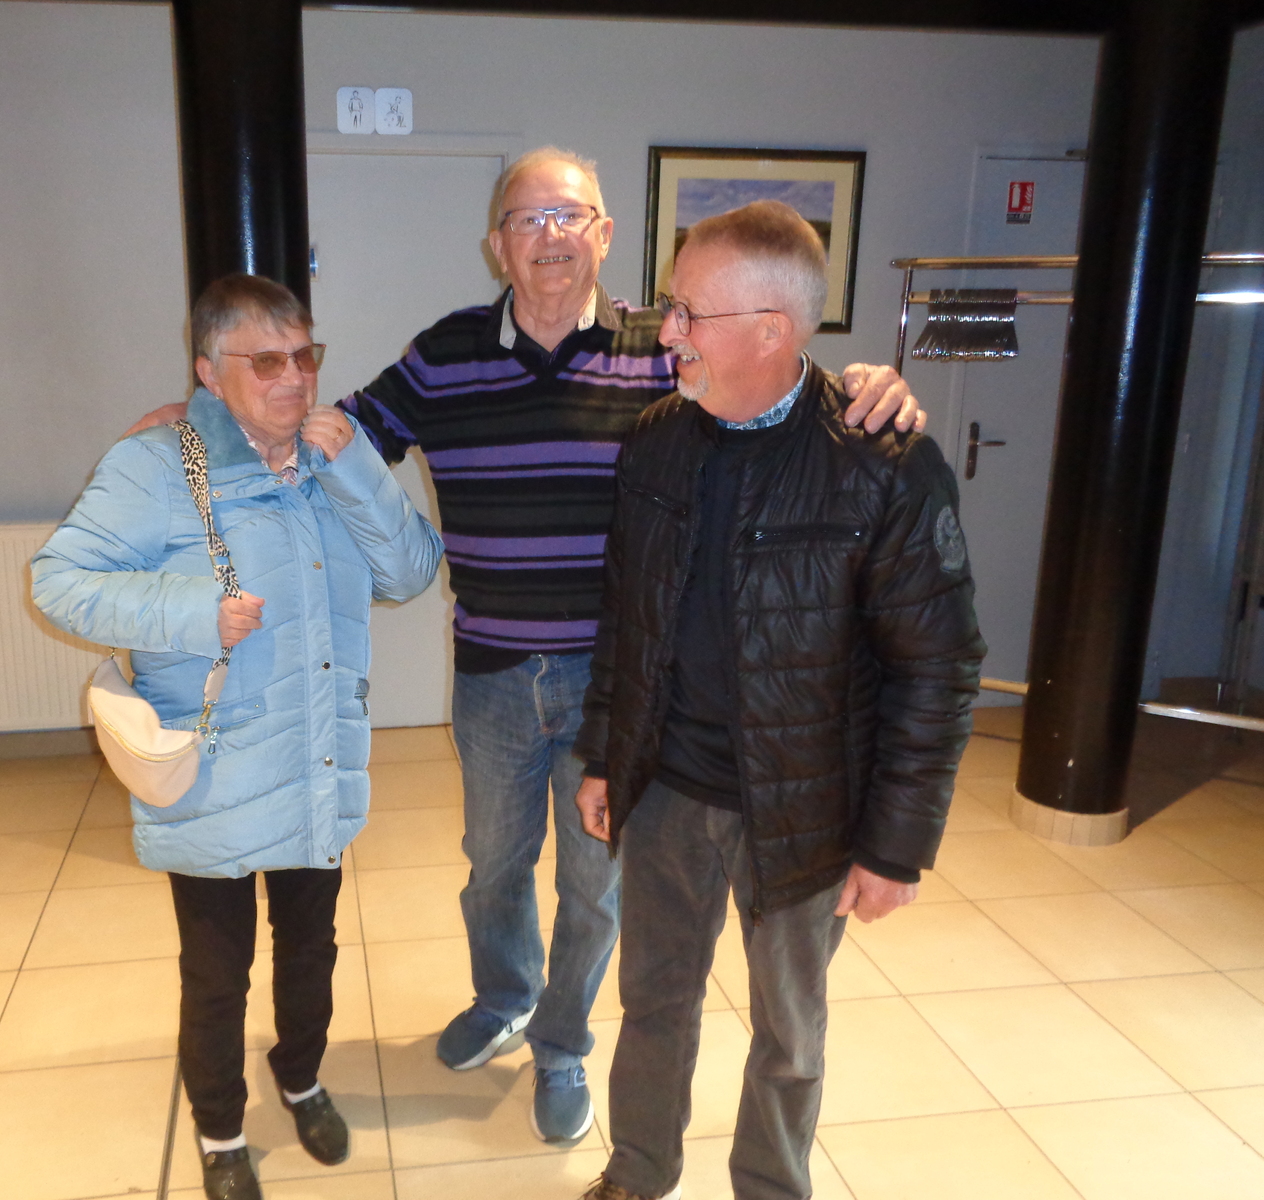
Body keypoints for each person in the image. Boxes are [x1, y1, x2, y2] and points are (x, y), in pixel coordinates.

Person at [129, 147, 925, 1143]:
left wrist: (864, 384)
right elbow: (336, 434)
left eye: (569, 215)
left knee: (594, 881)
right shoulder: (445, 353)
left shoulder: (661, 345)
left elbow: (770, 391)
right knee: (493, 864)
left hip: (621, 685)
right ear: (496, 244)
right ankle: (503, 997)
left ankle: (562, 1043)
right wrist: (211, 417)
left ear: (603, 233)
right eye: (526, 218)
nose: (549, 235)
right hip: (494, 677)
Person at [571, 201, 985, 1200]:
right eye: (669, 308)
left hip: (804, 811)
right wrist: (603, 756)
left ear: (770, 330)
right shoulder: (658, 440)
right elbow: (627, 614)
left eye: (687, 314)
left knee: (789, 1034)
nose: (666, 333)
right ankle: (638, 1171)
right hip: (668, 791)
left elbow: (938, 667)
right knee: (653, 1000)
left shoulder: (881, 462)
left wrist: (894, 848)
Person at [33, 273, 443, 1200]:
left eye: (305, 355)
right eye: (265, 361)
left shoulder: (335, 457)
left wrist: (361, 468)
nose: (294, 378)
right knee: (217, 973)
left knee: (312, 947)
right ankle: (220, 1131)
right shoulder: (155, 465)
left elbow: (412, 572)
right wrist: (193, 612)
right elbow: (60, 581)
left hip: (316, 758)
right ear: (208, 372)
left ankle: (301, 1079)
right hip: (216, 768)